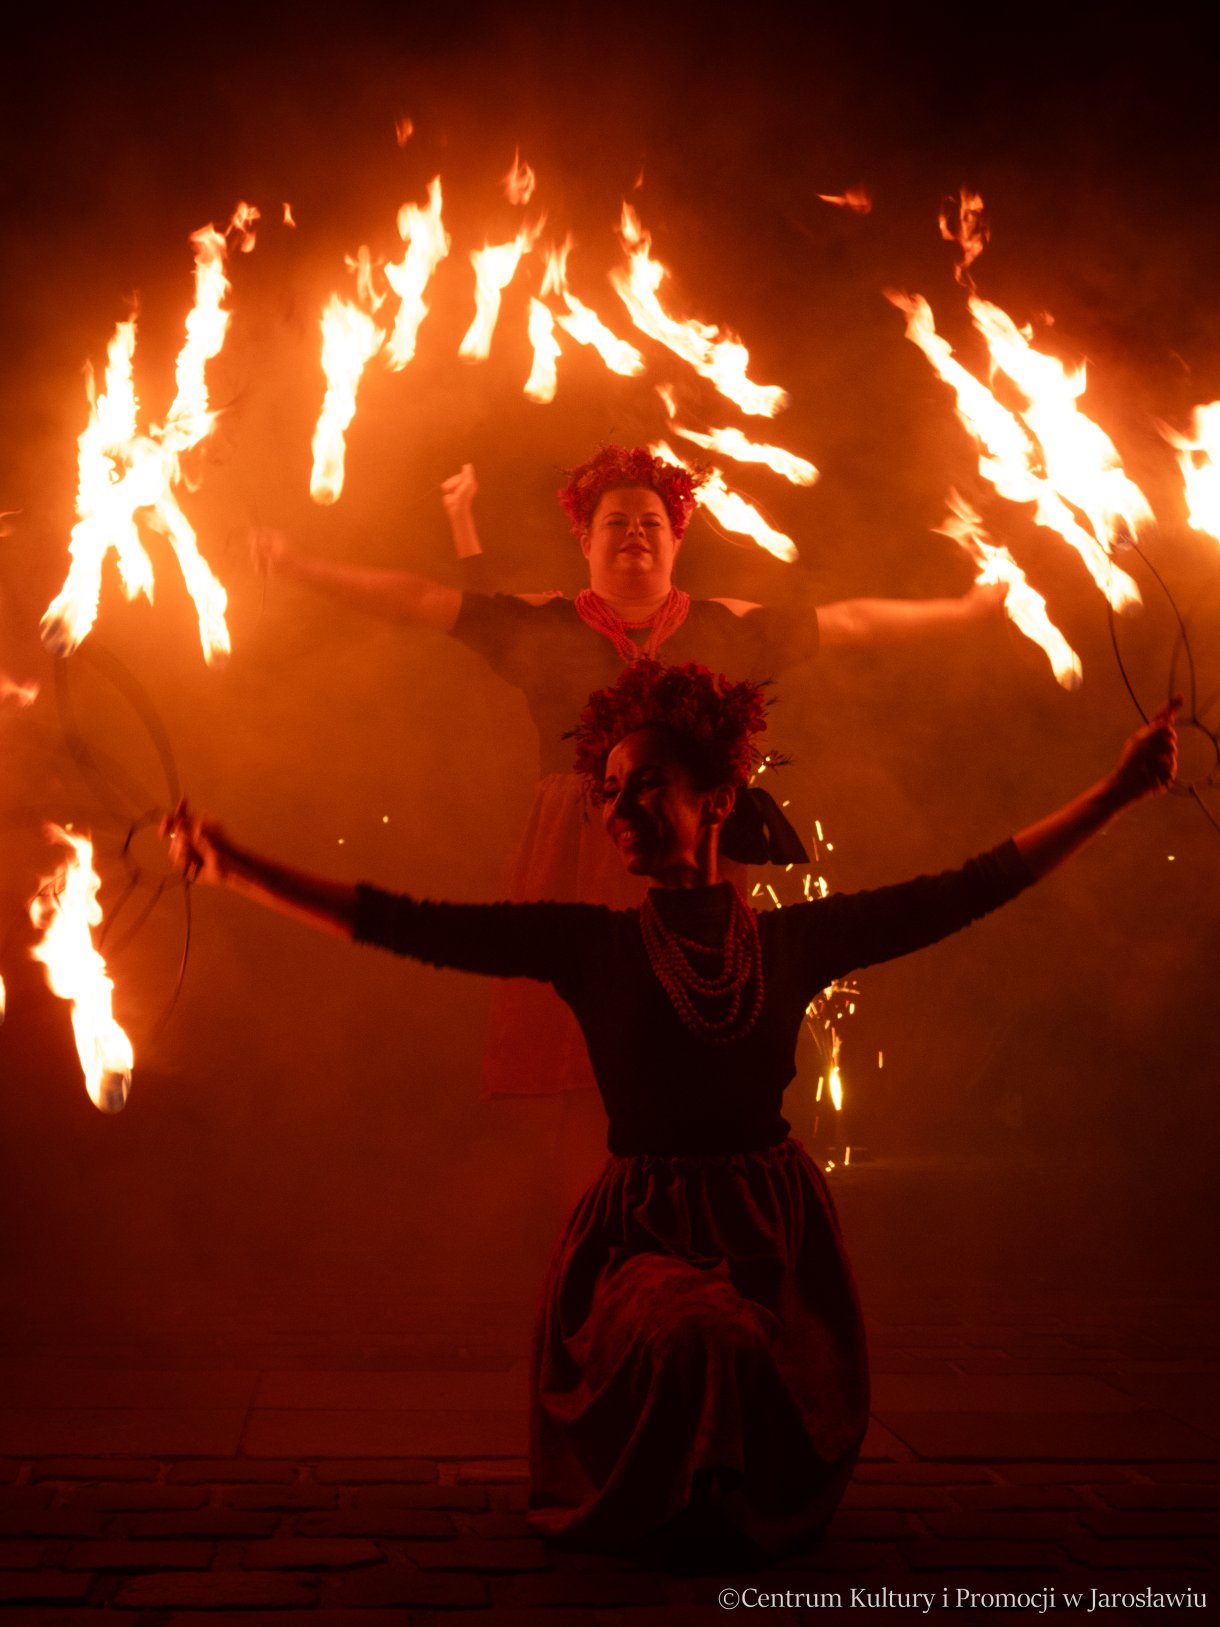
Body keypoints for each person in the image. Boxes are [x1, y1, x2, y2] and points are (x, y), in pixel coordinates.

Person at [162, 663, 1178, 1562]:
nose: (616, 802)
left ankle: (727, 1502)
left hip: (770, 1237)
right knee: (700, 1338)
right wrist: (240, 867)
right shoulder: (590, 946)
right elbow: (410, 924)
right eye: (605, 788)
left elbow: (964, 889)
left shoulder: (791, 945)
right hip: (638, 1239)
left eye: (644, 780)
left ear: (717, 796)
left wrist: (1118, 791)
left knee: (738, 1375)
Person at [254, 448, 1005, 1103]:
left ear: (677, 539)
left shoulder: (727, 622)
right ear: (584, 539)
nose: (635, 534)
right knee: (592, 1056)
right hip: (580, 852)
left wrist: (965, 612)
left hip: (699, 864)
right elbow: (418, 601)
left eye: (651, 521)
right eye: (616, 521)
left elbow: (851, 623)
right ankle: (610, 1223)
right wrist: (296, 564)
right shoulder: (541, 624)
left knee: (698, 1045)